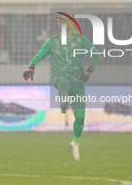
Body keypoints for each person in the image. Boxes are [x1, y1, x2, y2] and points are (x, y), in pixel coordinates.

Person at [22, 12, 102, 161]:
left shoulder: (80, 40)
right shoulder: (52, 41)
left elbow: (97, 55)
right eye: (59, 21)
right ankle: (63, 101)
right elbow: (39, 56)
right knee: (63, 84)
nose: (61, 24)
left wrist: (88, 71)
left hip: (78, 81)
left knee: (80, 118)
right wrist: (31, 67)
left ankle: (75, 143)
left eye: (65, 21)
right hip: (59, 76)